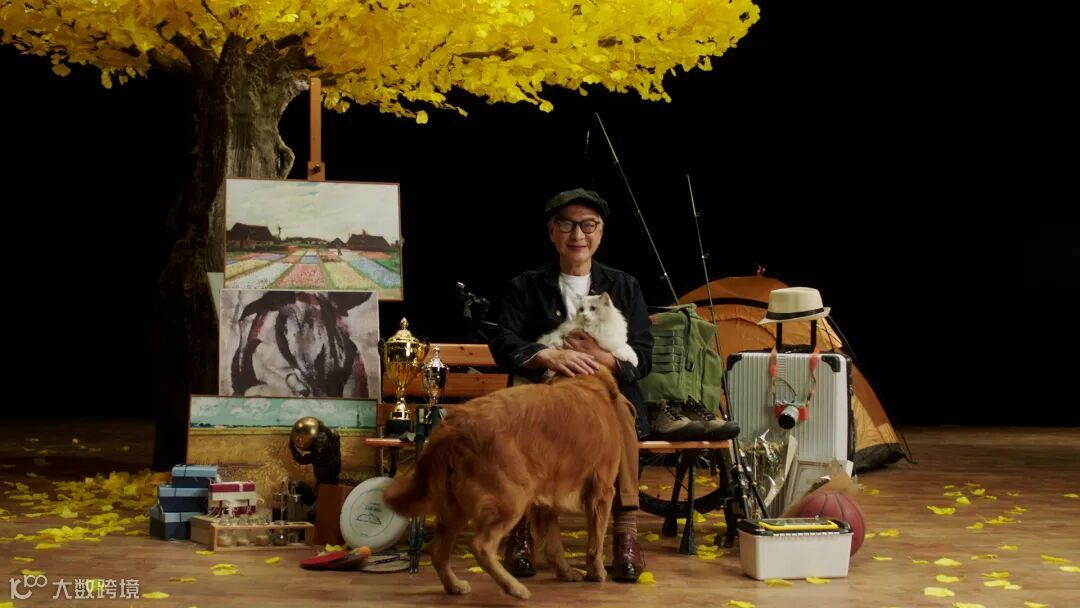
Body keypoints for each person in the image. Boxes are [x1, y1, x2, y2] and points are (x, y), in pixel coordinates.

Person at [488, 187, 652, 583]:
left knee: (619, 418)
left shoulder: (624, 286)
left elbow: (644, 355)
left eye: (588, 225)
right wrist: (546, 355)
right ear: (552, 231)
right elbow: (502, 341)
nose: (577, 234)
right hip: (548, 389)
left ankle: (625, 532)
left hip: (605, 389)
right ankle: (522, 530)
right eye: (567, 224)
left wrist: (604, 359)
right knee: (529, 426)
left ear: (601, 232)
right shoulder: (525, 286)